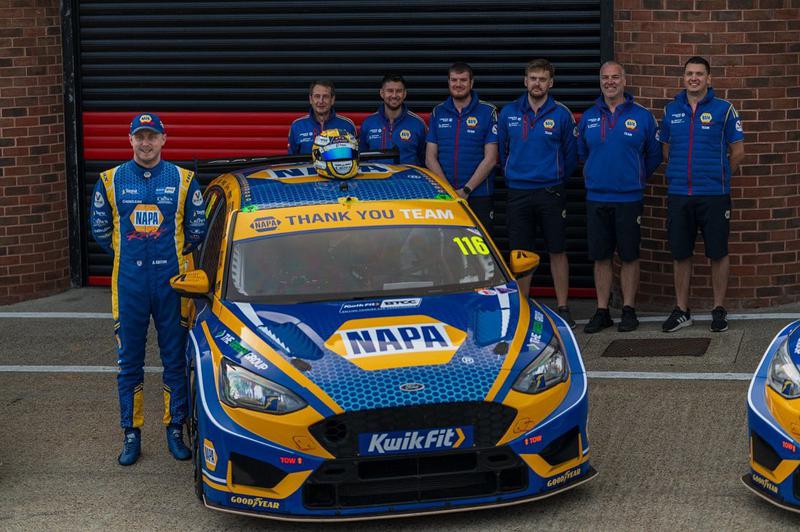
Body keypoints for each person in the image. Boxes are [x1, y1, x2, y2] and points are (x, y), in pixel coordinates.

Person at [90, 113, 207, 465]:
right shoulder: (109, 180)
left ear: (163, 139)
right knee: (129, 363)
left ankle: (175, 428)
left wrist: (166, 257)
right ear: (130, 140)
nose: (145, 143)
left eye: (152, 136)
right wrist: (131, 256)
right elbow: (100, 230)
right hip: (129, 285)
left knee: (175, 359)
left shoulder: (184, 179)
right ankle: (131, 433)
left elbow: (196, 230)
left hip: (172, 284)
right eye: (139, 136)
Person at [659, 56, 745, 333]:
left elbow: (738, 151)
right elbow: (666, 149)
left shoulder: (725, 109)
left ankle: (718, 309)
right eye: (689, 73)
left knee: (718, 252)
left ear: (709, 78)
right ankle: (682, 310)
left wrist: (720, 176)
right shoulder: (671, 110)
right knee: (681, 253)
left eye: (699, 73)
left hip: (714, 194)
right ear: (683, 78)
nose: (693, 78)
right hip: (679, 193)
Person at [578, 61, 662, 333]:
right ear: (600, 81)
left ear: (624, 81)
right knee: (601, 256)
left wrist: (634, 177)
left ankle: (628, 309)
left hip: (629, 198)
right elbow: (582, 154)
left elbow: (654, 155)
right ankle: (602, 311)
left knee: (629, 255)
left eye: (615, 77)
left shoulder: (643, 116)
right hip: (597, 197)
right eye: (605, 77)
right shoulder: (589, 116)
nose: (610, 82)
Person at [497, 58, 577, 327]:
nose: (537, 83)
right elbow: (502, 152)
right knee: (521, 254)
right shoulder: (508, 113)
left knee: (558, 250)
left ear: (551, 83)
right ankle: (523, 308)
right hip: (518, 192)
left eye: (543, 79)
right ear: (525, 81)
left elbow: (570, 156)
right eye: (533, 78)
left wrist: (553, 177)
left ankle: (563, 307)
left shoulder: (561, 114)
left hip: (550, 191)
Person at [426, 62, 498, 232]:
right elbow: (430, 157)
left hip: (479, 194)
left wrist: (466, 190)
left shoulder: (488, 112)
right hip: (444, 195)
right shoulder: (438, 112)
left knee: (480, 243)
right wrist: (449, 191)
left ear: (471, 83)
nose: (458, 84)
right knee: (445, 243)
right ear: (448, 82)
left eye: (463, 80)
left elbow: (491, 158)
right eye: (454, 80)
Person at [358, 74, 427, 165]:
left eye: (399, 91)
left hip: (408, 174)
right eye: (390, 91)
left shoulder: (418, 124)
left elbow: (424, 160)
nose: (394, 95)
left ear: (404, 94)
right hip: (375, 174)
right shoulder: (368, 123)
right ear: (382, 93)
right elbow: (361, 160)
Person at [287, 79, 356, 155]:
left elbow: (356, 156)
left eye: (325, 96)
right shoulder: (297, 126)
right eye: (317, 96)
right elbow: (291, 159)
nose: (321, 101)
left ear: (332, 99)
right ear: (311, 99)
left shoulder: (347, 125)